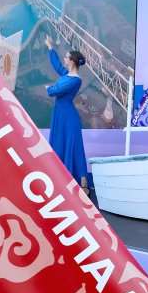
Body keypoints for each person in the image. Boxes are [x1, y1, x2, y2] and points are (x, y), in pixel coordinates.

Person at [45, 37, 89, 192]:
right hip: (61, 116)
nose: (64, 59)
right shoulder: (67, 75)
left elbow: (56, 91)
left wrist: (49, 88)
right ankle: (62, 178)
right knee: (60, 143)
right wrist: (50, 47)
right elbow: (57, 66)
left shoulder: (75, 80)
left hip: (69, 118)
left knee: (74, 147)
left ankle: (83, 183)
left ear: (72, 61)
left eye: (66, 57)